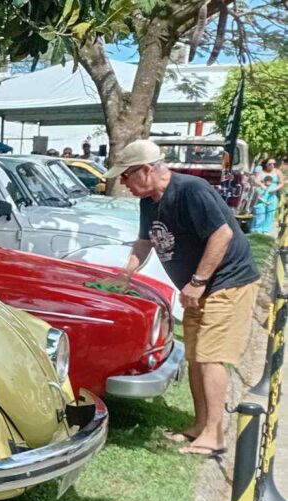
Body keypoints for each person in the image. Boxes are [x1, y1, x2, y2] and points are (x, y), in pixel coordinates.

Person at [108, 139, 260, 457]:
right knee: (195, 357)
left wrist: (198, 281)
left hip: (226, 283)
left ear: (147, 170)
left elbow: (223, 235)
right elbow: (144, 242)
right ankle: (200, 425)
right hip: (197, 289)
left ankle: (215, 436)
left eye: (126, 176)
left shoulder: (192, 190)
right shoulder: (149, 201)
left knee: (209, 356)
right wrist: (125, 275)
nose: (123, 182)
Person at [252, 160, 277, 234]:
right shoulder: (261, 186)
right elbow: (258, 196)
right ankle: (256, 230)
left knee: (262, 217)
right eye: (269, 164)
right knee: (260, 217)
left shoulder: (267, 187)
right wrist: (265, 201)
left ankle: (258, 230)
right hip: (259, 204)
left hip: (263, 203)